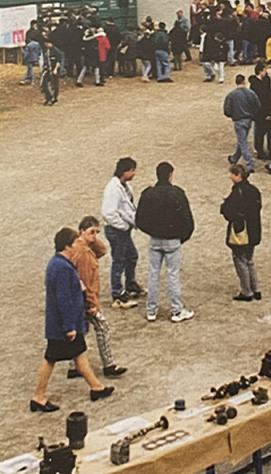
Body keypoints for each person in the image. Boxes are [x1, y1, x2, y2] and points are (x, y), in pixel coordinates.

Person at [32, 227, 114, 413]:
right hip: (63, 325)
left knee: (77, 354)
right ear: (68, 246)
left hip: (60, 324)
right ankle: (39, 396)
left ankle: (96, 387)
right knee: (53, 358)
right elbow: (65, 300)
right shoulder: (63, 268)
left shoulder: (58, 264)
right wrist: (69, 326)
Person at [134, 161, 196, 323]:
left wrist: (152, 232)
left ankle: (151, 310)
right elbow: (187, 220)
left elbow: (140, 219)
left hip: (155, 239)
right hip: (173, 240)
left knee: (153, 274)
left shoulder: (148, 194)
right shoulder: (177, 193)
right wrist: (181, 237)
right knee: (172, 275)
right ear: (170, 175)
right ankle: (176, 310)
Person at [71, 216, 128, 378]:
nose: (95, 236)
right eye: (92, 232)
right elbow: (85, 280)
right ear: (82, 232)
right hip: (87, 299)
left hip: (82, 299)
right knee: (101, 328)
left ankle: (73, 366)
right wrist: (92, 303)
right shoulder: (82, 252)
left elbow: (102, 251)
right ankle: (108, 365)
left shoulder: (82, 247)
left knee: (82, 330)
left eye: (97, 232)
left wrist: (90, 239)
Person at [101, 158, 144, 307]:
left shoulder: (124, 187)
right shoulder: (113, 189)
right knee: (118, 261)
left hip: (122, 230)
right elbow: (108, 213)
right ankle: (118, 294)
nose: (134, 173)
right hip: (116, 230)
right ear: (125, 171)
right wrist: (124, 226)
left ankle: (131, 284)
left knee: (132, 256)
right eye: (132, 170)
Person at [220, 163, 263, 302]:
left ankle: (247, 291)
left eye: (232, 174)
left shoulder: (237, 192)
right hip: (254, 230)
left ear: (238, 176)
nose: (230, 176)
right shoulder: (254, 191)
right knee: (249, 260)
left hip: (242, 231)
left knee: (240, 260)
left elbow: (229, 211)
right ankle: (255, 289)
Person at [223, 74, 261, 172]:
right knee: (242, 140)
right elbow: (257, 105)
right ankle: (234, 158)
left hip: (238, 120)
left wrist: (234, 115)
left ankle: (249, 164)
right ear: (244, 82)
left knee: (243, 142)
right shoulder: (251, 93)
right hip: (248, 119)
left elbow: (227, 110)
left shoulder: (231, 95)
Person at [249, 62, 271, 160]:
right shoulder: (255, 85)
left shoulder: (266, 79)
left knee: (269, 132)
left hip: (266, 110)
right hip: (260, 112)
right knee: (260, 132)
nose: (266, 72)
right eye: (265, 70)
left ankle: (270, 150)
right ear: (260, 71)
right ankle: (260, 151)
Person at [40, 39, 61, 106]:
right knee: (43, 85)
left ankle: (54, 98)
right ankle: (48, 97)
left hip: (53, 70)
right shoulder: (46, 51)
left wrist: (55, 69)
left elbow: (58, 61)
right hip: (47, 70)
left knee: (54, 85)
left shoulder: (56, 51)